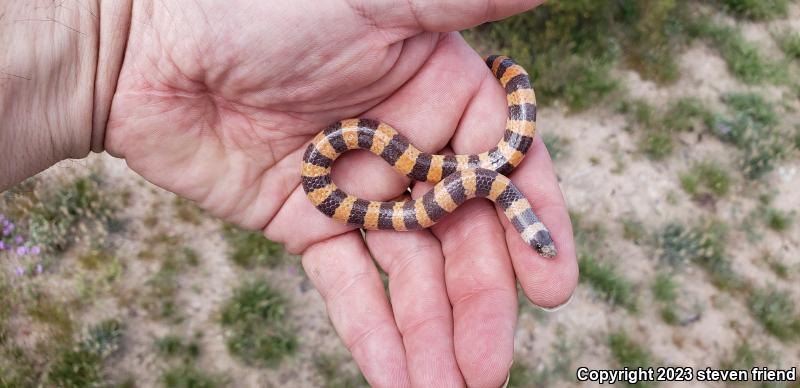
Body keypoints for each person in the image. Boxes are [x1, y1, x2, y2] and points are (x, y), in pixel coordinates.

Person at [1, 1, 577, 386]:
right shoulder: (483, 176)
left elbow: (488, 145)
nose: (538, 237)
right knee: (481, 172)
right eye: (536, 231)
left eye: (534, 234)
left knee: (480, 174)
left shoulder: (483, 176)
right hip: (399, 169)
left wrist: (113, 38)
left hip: (404, 173)